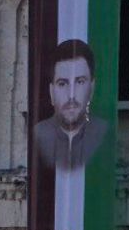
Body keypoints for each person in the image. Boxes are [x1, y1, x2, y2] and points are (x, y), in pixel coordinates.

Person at [32, 39, 108, 170]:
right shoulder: (38, 136)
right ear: (51, 91)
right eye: (62, 83)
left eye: (79, 82)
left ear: (92, 88)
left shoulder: (105, 134)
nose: (71, 95)